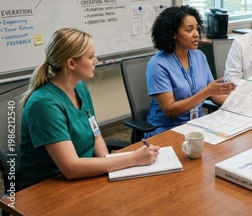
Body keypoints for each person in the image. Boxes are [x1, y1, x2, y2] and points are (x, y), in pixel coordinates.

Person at [18, 28, 160, 191]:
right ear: (71, 63)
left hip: (82, 176)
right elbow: (71, 168)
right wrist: (132, 159)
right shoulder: (44, 104)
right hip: (47, 187)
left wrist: (110, 165)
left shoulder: (80, 88)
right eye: (91, 57)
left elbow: (95, 133)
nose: (96, 61)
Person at [146, 5, 235, 137]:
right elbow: (170, 110)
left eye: (197, 29)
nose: (196, 34)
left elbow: (214, 94)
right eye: (189, 30)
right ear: (173, 34)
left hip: (197, 123)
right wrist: (207, 92)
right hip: (167, 129)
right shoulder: (157, 65)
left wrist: (241, 105)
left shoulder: (199, 55)